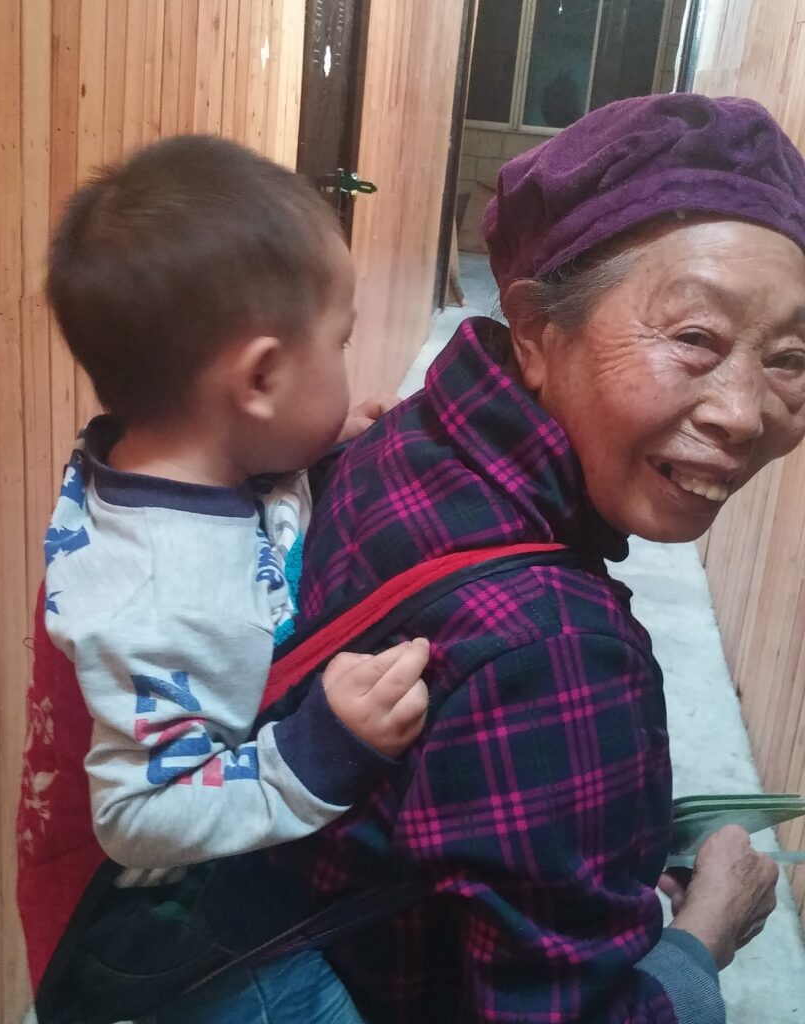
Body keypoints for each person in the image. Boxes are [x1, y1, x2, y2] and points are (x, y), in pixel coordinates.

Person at [153, 93, 805, 1024]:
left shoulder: (404, 435)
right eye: (695, 337)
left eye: (790, 357)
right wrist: (706, 933)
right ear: (536, 332)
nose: (743, 412)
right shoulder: (560, 654)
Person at [20, 134, 430, 1024]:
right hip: (160, 936)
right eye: (341, 342)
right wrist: (320, 749)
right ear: (263, 377)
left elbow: (240, 488)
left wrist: (308, 450)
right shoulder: (158, 601)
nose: (350, 362)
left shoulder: (165, 452)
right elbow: (140, 816)